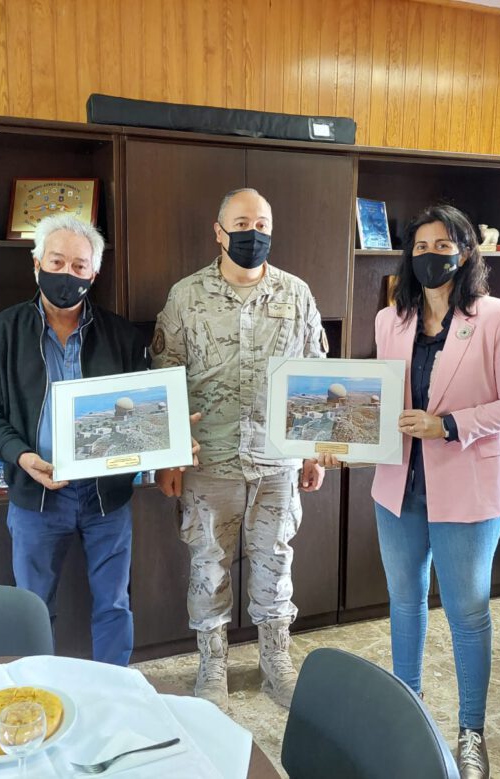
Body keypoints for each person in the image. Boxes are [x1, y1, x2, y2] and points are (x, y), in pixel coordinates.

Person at [321, 204, 500, 779]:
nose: (430, 255)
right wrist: (337, 439)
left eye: (443, 245)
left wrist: (449, 425)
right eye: (420, 246)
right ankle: (407, 712)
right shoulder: (390, 320)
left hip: (468, 485)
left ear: (464, 252)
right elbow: (380, 401)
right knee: (405, 600)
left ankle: (471, 731)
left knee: (467, 611)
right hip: (400, 486)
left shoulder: (497, 316)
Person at [151, 188, 327, 708]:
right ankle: (213, 666)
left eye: (263, 223)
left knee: (276, 563)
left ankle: (276, 662)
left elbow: (316, 375)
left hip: (277, 460)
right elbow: (165, 377)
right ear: (219, 231)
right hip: (209, 461)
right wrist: (170, 457)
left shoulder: (296, 293)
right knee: (208, 566)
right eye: (243, 222)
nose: (254, 232)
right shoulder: (186, 296)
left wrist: (313, 450)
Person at [0, 213, 151, 667]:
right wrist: (22, 456)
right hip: (37, 495)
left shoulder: (122, 336)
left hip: (106, 495)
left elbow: (142, 409)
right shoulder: (2, 332)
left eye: (79, 266)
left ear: (94, 274)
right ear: (37, 264)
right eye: (57, 261)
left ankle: (113, 688)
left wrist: (170, 433)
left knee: (115, 603)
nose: (67, 274)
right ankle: (38, 690)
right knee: (33, 609)